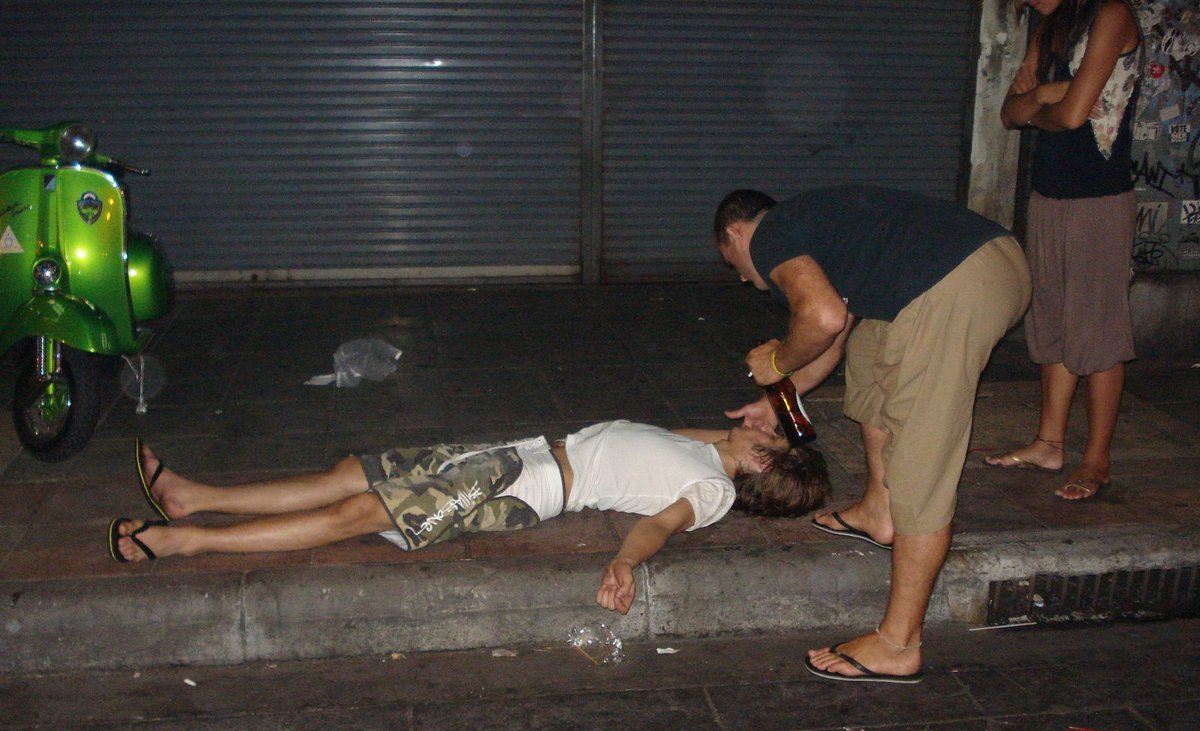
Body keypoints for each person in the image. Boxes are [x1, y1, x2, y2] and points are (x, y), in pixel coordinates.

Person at [716, 186, 1032, 684]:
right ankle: (879, 512)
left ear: (736, 234)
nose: (741, 276)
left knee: (921, 457)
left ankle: (898, 643)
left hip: (955, 283)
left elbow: (820, 318)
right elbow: (834, 333)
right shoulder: (818, 228)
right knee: (869, 353)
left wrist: (774, 362)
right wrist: (778, 400)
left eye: (730, 261)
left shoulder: (771, 234)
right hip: (981, 263)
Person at [109, 425, 830, 615]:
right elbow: (694, 435)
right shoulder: (707, 449)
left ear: (762, 463)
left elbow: (660, 524)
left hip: (528, 484)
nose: (762, 428)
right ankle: (192, 496)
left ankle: (183, 542)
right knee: (352, 474)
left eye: (771, 440)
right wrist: (750, 432)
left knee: (354, 514)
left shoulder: (714, 490)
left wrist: (625, 561)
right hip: (518, 453)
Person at [985, 0, 1142, 501]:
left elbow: (1075, 116)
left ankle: (1096, 460)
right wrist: (1046, 96)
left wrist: (1044, 104)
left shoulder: (1111, 13)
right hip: (1048, 193)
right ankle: (1049, 444)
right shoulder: (1049, 27)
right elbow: (1009, 113)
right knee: (1050, 321)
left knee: (1098, 330)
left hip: (1099, 198)